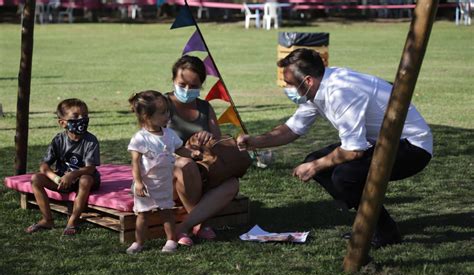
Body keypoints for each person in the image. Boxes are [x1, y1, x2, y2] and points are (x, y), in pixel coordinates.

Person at [237, 48, 433, 248]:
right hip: (382, 142)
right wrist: (255, 141)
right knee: (321, 165)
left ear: (308, 81)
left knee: (344, 176)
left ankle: (383, 230)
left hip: (413, 147)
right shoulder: (318, 87)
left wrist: (315, 166)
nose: (286, 88)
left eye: (289, 84)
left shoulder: (341, 91)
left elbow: (353, 150)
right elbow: (292, 129)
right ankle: (367, 217)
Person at [167, 55, 240, 246]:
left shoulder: (205, 107)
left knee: (232, 184)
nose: (187, 90)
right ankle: (202, 222)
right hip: (170, 172)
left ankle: (185, 226)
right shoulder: (161, 105)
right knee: (185, 165)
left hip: (202, 171)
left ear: (201, 85)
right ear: (173, 80)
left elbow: (218, 142)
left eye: (193, 86)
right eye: (182, 84)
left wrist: (207, 141)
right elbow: (153, 143)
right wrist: (186, 148)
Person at [126, 90, 202, 254]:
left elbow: (180, 149)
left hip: (164, 183)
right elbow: (136, 162)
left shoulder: (169, 134)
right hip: (145, 185)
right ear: (147, 116)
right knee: (143, 215)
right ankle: (138, 242)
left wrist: (193, 154)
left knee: (166, 213)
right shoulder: (140, 138)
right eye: (162, 113)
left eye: (168, 111)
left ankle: (170, 240)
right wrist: (138, 182)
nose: (168, 115)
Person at [26, 98, 101, 236]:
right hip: (63, 181)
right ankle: (47, 220)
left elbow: (90, 169)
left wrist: (72, 175)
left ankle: (73, 221)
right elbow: (44, 165)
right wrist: (56, 178)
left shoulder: (91, 140)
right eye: (76, 117)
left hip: (84, 180)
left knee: (85, 179)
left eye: (84, 116)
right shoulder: (58, 140)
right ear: (62, 123)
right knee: (36, 178)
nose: (82, 119)